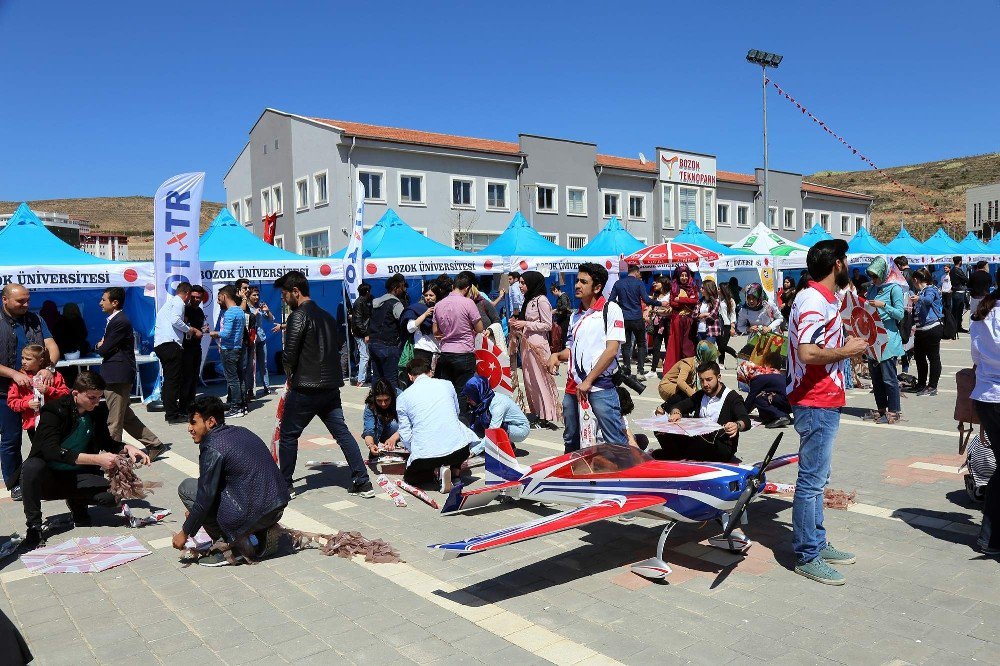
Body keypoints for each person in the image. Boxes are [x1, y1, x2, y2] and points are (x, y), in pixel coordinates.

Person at [786, 239, 869, 585]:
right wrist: (847, 351)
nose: (847, 264)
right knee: (811, 481)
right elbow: (807, 353)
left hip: (823, 398)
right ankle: (807, 554)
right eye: (845, 259)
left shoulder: (822, 300)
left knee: (818, 479)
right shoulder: (812, 301)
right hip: (814, 399)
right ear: (837, 264)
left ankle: (817, 542)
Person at [18, 371, 150, 549]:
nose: (96, 402)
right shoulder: (54, 410)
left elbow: (105, 441)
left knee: (112, 497)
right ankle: (34, 527)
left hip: (77, 474)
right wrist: (97, 459)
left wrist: (127, 448)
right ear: (76, 394)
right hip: (48, 477)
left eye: (99, 397)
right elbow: (51, 451)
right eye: (92, 398)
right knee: (31, 467)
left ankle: (77, 502)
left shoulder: (97, 412)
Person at [274, 271, 373, 498]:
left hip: (305, 388)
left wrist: (290, 376)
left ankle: (285, 485)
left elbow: (289, 355)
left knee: (289, 435)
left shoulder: (297, 316)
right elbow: (337, 346)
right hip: (330, 388)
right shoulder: (327, 316)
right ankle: (362, 480)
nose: (283, 299)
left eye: (285, 294)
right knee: (342, 433)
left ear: (296, 292)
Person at [173, 396, 289, 566]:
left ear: (210, 421)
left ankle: (229, 546)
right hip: (277, 505)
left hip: (255, 511)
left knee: (187, 488)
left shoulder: (212, 446)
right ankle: (261, 532)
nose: (189, 428)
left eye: (193, 422)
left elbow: (205, 498)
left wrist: (185, 532)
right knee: (203, 495)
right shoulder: (240, 431)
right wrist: (196, 517)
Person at [547, 262, 627, 452]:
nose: (577, 285)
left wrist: (589, 380)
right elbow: (572, 350)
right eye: (577, 281)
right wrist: (557, 355)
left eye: (584, 282)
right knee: (571, 439)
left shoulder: (611, 309)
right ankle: (573, 477)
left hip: (601, 387)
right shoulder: (576, 316)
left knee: (614, 441)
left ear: (597, 287)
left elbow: (612, 350)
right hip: (574, 387)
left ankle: (619, 478)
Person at [0, 284, 61, 500]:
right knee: (10, 440)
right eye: (20, 301)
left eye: (28, 300)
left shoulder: (36, 320)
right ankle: (15, 483)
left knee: (44, 436)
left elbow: (52, 346)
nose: (26, 305)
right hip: (5, 392)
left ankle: (45, 478)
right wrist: (13, 374)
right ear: (5, 300)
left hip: (36, 392)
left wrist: (48, 367)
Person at [95, 287, 166, 459]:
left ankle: (113, 456)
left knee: (114, 419)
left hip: (117, 375)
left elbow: (104, 349)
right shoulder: (114, 320)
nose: (100, 303)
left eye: (104, 300)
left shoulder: (120, 321)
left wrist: (99, 346)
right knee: (124, 416)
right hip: (114, 374)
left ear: (115, 302)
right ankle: (154, 444)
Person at [397, 356, 476, 492]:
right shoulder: (447, 384)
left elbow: (405, 433)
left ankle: (436, 472)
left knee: (411, 478)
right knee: (461, 423)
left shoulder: (403, 397)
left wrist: (414, 451)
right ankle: (454, 474)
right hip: (458, 451)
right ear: (430, 372)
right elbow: (456, 413)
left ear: (410, 376)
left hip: (426, 457)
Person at [653, 361, 750, 462]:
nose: (705, 384)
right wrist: (676, 413)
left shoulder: (732, 397)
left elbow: (745, 420)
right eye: (701, 380)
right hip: (697, 441)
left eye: (709, 380)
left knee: (698, 440)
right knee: (661, 430)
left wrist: (736, 425)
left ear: (719, 377)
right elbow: (679, 406)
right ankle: (674, 454)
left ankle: (675, 454)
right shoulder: (701, 395)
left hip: (719, 445)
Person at [970, 271, 1000, 556]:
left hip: (986, 396)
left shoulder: (981, 314)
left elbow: (976, 358)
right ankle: (989, 536)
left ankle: (989, 537)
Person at [433, 273, 485, 422]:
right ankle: (461, 425)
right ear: (468, 288)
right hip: (464, 353)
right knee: (462, 392)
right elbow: (480, 328)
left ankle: (447, 422)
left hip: (445, 353)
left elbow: (436, 332)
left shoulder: (439, 304)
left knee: (447, 393)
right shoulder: (468, 303)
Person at [509, 271, 558, 429]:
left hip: (537, 344)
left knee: (540, 379)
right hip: (526, 343)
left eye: (523, 283)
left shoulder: (542, 300)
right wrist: (517, 323)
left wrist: (525, 324)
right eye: (520, 283)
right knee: (529, 380)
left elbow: (547, 325)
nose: (521, 286)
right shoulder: (529, 300)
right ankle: (537, 412)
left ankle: (546, 414)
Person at [863, 257, 905, 424]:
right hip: (873, 339)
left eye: (875, 276)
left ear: (883, 273)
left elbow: (900, 314)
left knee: (889, 378)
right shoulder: (873, 289)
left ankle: (894, 411)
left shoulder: (894, 289)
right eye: (871, 276)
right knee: (876, 379)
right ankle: (881, 410)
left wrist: (883, 306)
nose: (873, 280)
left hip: (888, 339)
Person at [154, 282, 201, 424]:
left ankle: (172, 412)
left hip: (164, 345)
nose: (189, 301)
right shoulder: (179, 302)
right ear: (186, 293)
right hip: (170, 345)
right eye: (189, 297)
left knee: (171, 380)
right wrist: (189, 329)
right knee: (173, 381)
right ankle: (172, 415)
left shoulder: (172, 303)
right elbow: (175, 319)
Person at [609, 264, 659, 377]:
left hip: (624, 318)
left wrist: (620, 305)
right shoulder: (639, 283)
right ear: (636, 272)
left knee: (625, 345)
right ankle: (640, 371)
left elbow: (611, 300)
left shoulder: (618, 283)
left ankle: (627, 370)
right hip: (637, 317)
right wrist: (660, 303)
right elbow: (646, 299)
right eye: (639, 273)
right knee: (641, 344)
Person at [6, 345, 68, 435]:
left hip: (55, 422)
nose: (23, 362)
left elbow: (66, 396)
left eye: (28, 359)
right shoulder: (19, 378)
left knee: (52, 448)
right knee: (37, 449)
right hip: (32, 425)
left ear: (40, 361)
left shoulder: (53, 376)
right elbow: (11, 402)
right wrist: (27, 404)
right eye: (22, 358)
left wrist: (49, 390)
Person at [463, 375, 529, 456]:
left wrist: (474, 451)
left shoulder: (498, 404)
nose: (467, 400)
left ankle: (507, 447)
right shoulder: (485, 400)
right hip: (507, 425)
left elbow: (493, 430)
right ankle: (507, 446)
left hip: (520, 429)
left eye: (470, 397)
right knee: (479, 424)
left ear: (478, 393)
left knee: (491, 424)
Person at [209, 286, 248, 419]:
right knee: (239, 378)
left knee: (232, 380)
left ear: (224, 296)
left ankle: (236, 407)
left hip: (229, 350)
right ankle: (242, 406)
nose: (218, 300)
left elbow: (226, 333)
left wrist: (214, 333)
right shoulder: (240, 311)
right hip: (238, 348)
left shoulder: (230, 312)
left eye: (219, 297)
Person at [368, 274, 407, 388]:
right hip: (389, 346)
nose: (404, 290)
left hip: (373, 343)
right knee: (391, 380)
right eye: (402, 287)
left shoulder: (376, 302)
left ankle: (374, 403)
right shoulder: (396, 304)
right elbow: (405, 322)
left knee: (377, 378)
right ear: (396, 288)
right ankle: (392, 405)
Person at [909, 268, 943, 396]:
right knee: (919, 357)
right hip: (921, 330)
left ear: (916, 279)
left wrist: (918, 298)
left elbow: (928, 300)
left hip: (932, 328)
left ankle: (932, 386)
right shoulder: (920, 291)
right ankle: (921, 384)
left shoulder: (931, 289)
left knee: (933, 358)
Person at [658, 340, 717, 409]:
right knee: (687, 394)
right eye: (710, 355)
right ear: (705, 354)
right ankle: (663, 408)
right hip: (667, 386)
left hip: (679, 387)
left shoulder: (701, 364)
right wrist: (694, 395)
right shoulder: (687, 364)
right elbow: (680, 382)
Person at [742, 351, 792, 428]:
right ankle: (780, 415)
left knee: (759, 398)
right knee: (765, 397)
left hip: (785, 401)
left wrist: (741, 414)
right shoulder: (777, 374)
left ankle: (781, 416)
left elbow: (751, 398)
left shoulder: (759, 378)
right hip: (790, 402)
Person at [663, 266, 698, 371]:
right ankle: (674, 370)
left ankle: (688, 370)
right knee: (676, 345)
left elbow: (695, 301)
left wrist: (681, 299)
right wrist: (686, 300)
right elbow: (673, 302)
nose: (684, 277)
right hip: (677, 320)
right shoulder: (674, 287)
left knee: (688, 346)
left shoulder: (692, 287)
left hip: (689, 321)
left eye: (686, 275)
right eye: (682, 275)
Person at [180, 285, 207, 412]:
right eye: (194, 297)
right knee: (187, 377)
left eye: (199, 297)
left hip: (197, 347)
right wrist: (195, 331)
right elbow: (183, 327)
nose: (196, 299)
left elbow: (198, 330)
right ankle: (184, 405)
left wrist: (202, 330)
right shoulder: (185, 309)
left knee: (195, 376)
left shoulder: (200, 312)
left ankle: (191, 403)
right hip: (186, 348)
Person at [401, 284, 439, 371]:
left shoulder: (441, 309)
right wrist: (425, 315)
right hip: (422, 349)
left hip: (438, 351)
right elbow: (410, 328)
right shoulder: (416, 309)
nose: (428, 298)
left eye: (431, 295)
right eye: (426, 295)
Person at [361, 379, 402, 460]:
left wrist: (393, 439)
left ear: (392, 396)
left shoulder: (401, 397)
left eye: (387, 400)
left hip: (398, 429)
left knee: (394, 424)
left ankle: (392, 445)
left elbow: (409, 424)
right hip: (379, 430)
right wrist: (371, 445)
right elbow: (368, 430)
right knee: (376, 427)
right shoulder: (370, 404)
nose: (383, 404)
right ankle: (378, 449)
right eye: (379, 401)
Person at [51, 302, 88, 387]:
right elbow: (84, 334)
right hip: (79, 353)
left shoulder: (59, 322)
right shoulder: (79, 321)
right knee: (80, 375)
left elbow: (56, 337)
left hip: (63, 353)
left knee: (66, 377)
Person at [247, 286, 273, 396]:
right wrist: (254, 314)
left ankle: (266, 387)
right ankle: (250, 390)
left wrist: (268, 311)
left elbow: (271, 319)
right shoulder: (245, 307)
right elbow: (245, 321)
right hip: (250, 339)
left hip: (261, 338)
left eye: (257, 295)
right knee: (250, 366)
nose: (256, 297)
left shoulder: (260, 306)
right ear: (248, 296)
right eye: (254, 295)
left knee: (264, 364)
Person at [349, 283, 373, 387]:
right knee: (365, 356)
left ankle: (362, 378)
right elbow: (358, 321)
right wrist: (366, 334)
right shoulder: (360, 303)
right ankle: (361, 380)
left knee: (366, 355)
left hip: (361, 333)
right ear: (367, 292)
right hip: (361, 334)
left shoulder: (362, 301)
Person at [646, 278, 672, 375]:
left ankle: (669, 369)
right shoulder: (655, 295)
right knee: (656, 346)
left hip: (667, 322)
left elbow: (669, 310)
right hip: (657, 322)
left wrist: (656, 311)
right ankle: (653, 370)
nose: (655, 283)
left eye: (657, 282)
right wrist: (649, 312)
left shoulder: (670, 295)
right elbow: (650, 306)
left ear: (664, 283)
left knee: (668, 346)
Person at [717, 283, 738, 367]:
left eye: (719, 289)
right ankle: (721, 364)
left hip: (726, 325)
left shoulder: (730, 300)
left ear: (723, 290)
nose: (717, 290)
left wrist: (733, 327)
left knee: (723, 345)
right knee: (719, 346)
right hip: (717, 325)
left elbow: (733, 314)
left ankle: (736, 355)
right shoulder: (717, 299)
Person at [951, 256, 969, 333]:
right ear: (960, 262)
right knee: (957, 311)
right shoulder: (957, 270)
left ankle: (957, 327)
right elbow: (965, 279)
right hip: (959, 292)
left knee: (957, 311)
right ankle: (956, 328)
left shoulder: (952, 270)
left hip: (956, 292)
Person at [551, 283, 572, 351]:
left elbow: (564, 306)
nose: (553, 294)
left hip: (565, 317)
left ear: (556, 290)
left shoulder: (563, 296)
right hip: (562, 317)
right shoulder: (561, 297)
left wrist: (556, 310)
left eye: (553, 292)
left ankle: (564, 349)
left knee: (563, 333)